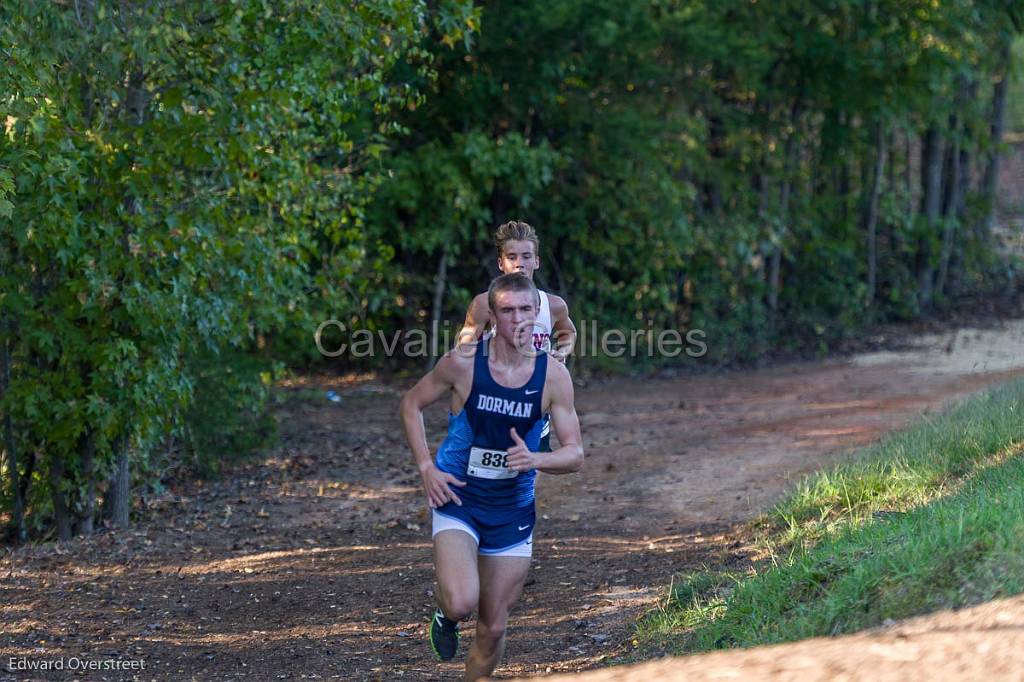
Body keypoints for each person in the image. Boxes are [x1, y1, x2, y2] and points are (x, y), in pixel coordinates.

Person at [400, 272, 584, 681]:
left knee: (494, 626)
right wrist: (427, 467)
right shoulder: (464, 364)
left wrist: (535, 459)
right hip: (458, 497)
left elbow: (575, 454)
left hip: (511, 510)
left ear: (537, 314)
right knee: (463, 602)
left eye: (525, 310)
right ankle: (446, 613)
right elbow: (411, 405)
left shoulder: (553, 377)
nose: (517, 319)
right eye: (506, 310)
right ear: (492, 316)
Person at [459, 220, 577, 363]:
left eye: (526, 256)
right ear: (500, 263)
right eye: (512, 257)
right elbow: (463, 350)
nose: (519, 264)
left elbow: (569, 333)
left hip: (539, 383)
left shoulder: (554, 305)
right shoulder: (483, 304)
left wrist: (561, 352)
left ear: (536, 262)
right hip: (498, 381)